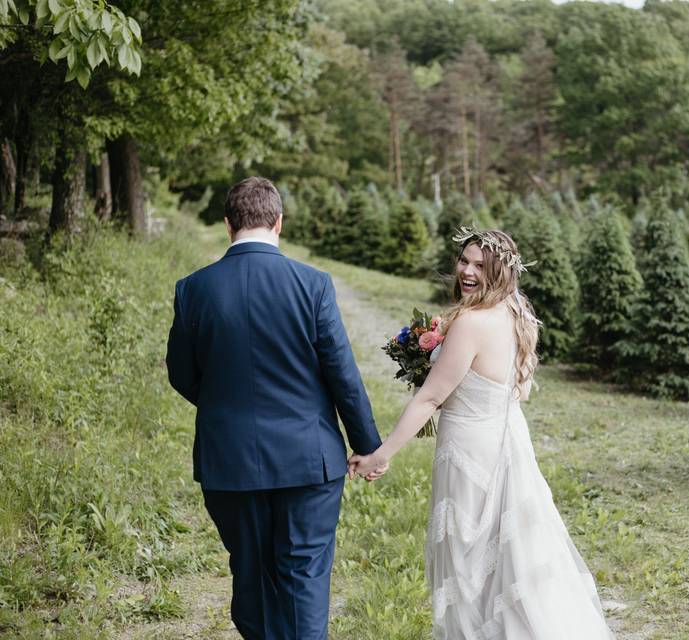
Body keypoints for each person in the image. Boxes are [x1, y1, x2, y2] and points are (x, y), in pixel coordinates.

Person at [350, 229, 613, 639]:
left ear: (500, 271)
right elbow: (519, 388)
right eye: (464, 261)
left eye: (480, 265)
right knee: (510, 560)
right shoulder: (518, 311)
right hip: (507, 443)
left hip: (469, 453)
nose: (467, 271)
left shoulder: (470, 323)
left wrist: (381, 455)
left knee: (469, 565)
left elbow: (430, 399)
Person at [165, 176, 381, 640]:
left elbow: (181, 374)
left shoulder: (193, 290)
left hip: (229, 460)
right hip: (309, 459)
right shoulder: (313, 285)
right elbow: (342, 374)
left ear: (228, 225)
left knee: (251, 574)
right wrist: (367, 445)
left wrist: (226, 403)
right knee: (304, 577)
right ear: (279, 222)